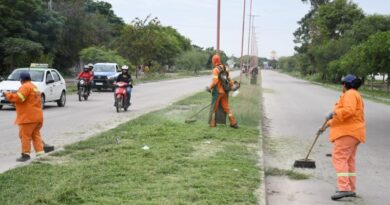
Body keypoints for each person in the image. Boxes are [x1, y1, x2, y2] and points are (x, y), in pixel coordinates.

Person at [320, 74, 365, 200]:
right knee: (348, 160)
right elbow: (345, 117)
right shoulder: (354, 94)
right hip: (354, 132)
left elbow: (348, 111)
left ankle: (344, 188)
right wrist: (328, 123)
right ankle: (350, 188)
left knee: (339, 158)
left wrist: (334, 112)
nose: (341, 86)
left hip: (347, 133)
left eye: (342, 83)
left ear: (345, 84)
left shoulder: (350, 94)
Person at [3, 72, 45, 162]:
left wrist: (8, 95)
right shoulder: (34, 87)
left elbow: (19, 98)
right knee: (35, 135)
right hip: (37, 117)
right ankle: (40, 154)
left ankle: (25, 155)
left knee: (25, 136)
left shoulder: (25, 87)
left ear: (21, 79)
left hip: (28, 118)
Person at [206, 54, 239, 128]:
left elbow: (215, 82)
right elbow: (229, 80)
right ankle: (233, 122)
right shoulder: (226, 68)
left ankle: (212, 124)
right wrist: (233, 85)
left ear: (213, 61)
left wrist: (209, 87)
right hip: (225, 92)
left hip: (217, 93)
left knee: (213, 108)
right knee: (226, 108)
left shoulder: (215, 70)